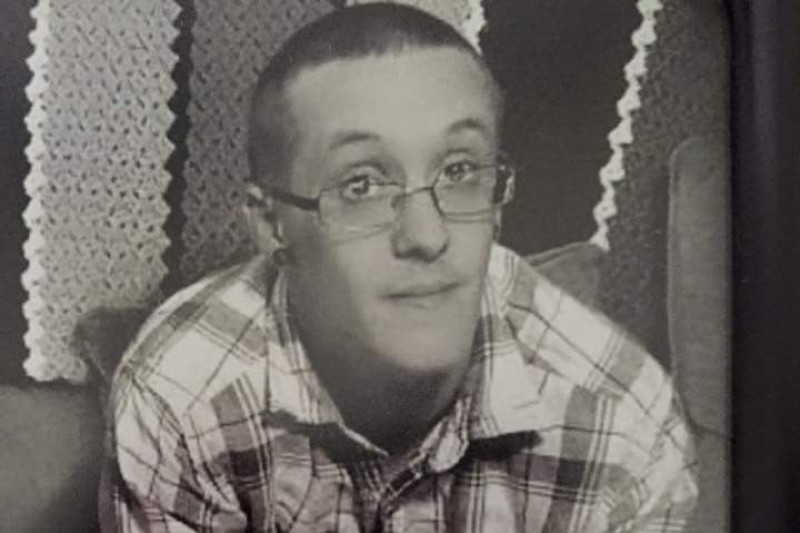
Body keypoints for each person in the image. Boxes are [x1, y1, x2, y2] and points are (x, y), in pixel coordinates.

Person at [101, 4, 697, 532]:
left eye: (459, 171)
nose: (427, 236)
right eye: (361, 184)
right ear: (273, 225)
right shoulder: (181, 397)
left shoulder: (624, 426)